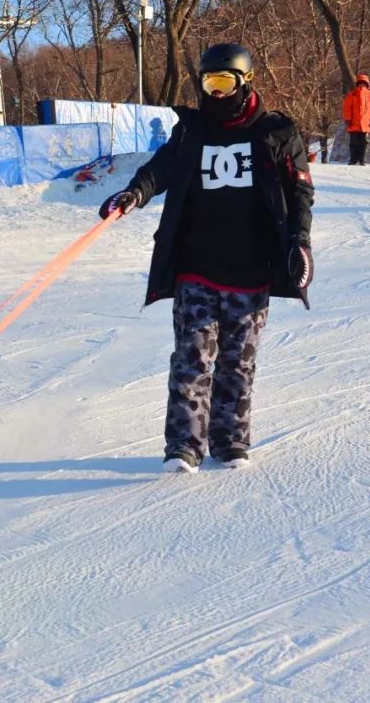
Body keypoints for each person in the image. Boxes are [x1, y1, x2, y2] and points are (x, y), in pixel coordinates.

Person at [98, 43, 314, 474]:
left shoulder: (276, 132)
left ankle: (230, 441)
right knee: (192, 358)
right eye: (209, 83)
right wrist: (134, 194)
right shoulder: (192, 130)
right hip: (197, 267)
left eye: (224, 84)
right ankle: (184, 445)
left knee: (238, 363)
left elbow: (300, 191)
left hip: (252, 271)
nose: (216, 95)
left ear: (245, 82)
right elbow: (160, 169)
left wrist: (300, 240)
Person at [343, 74, 370, 165]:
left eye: (364, 84)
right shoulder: (352, 94)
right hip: (354, 124)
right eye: (360, 84)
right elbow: (347, 108)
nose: (362, 86)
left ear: (367, 85)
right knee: (353, 142)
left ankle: (362, 160)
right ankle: (353, 160)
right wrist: (348, 119)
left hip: (366, 124)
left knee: (364, 143)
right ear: (357, 84)